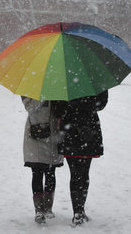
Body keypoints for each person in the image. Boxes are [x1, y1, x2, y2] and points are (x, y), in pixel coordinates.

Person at [52, 90, 109, 226]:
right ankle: (79, 210)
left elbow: (57, 111)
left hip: (70, 130)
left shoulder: (61, 82)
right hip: (89, 129)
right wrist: (85, 104)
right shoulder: (94, 78)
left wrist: (71, 105)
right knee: (83, 172)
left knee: (77, 173)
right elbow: (101, 104)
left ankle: (78, 211)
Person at [22, 97, 63, 224]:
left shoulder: (58, 89)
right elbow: (30, 108)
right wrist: (43, 94)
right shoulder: (30, 88)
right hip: (35, 137)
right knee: (37, 173)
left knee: (51, 173)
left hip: (53, 137)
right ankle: (39, 209)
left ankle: (48, 207)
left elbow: (61, 111)